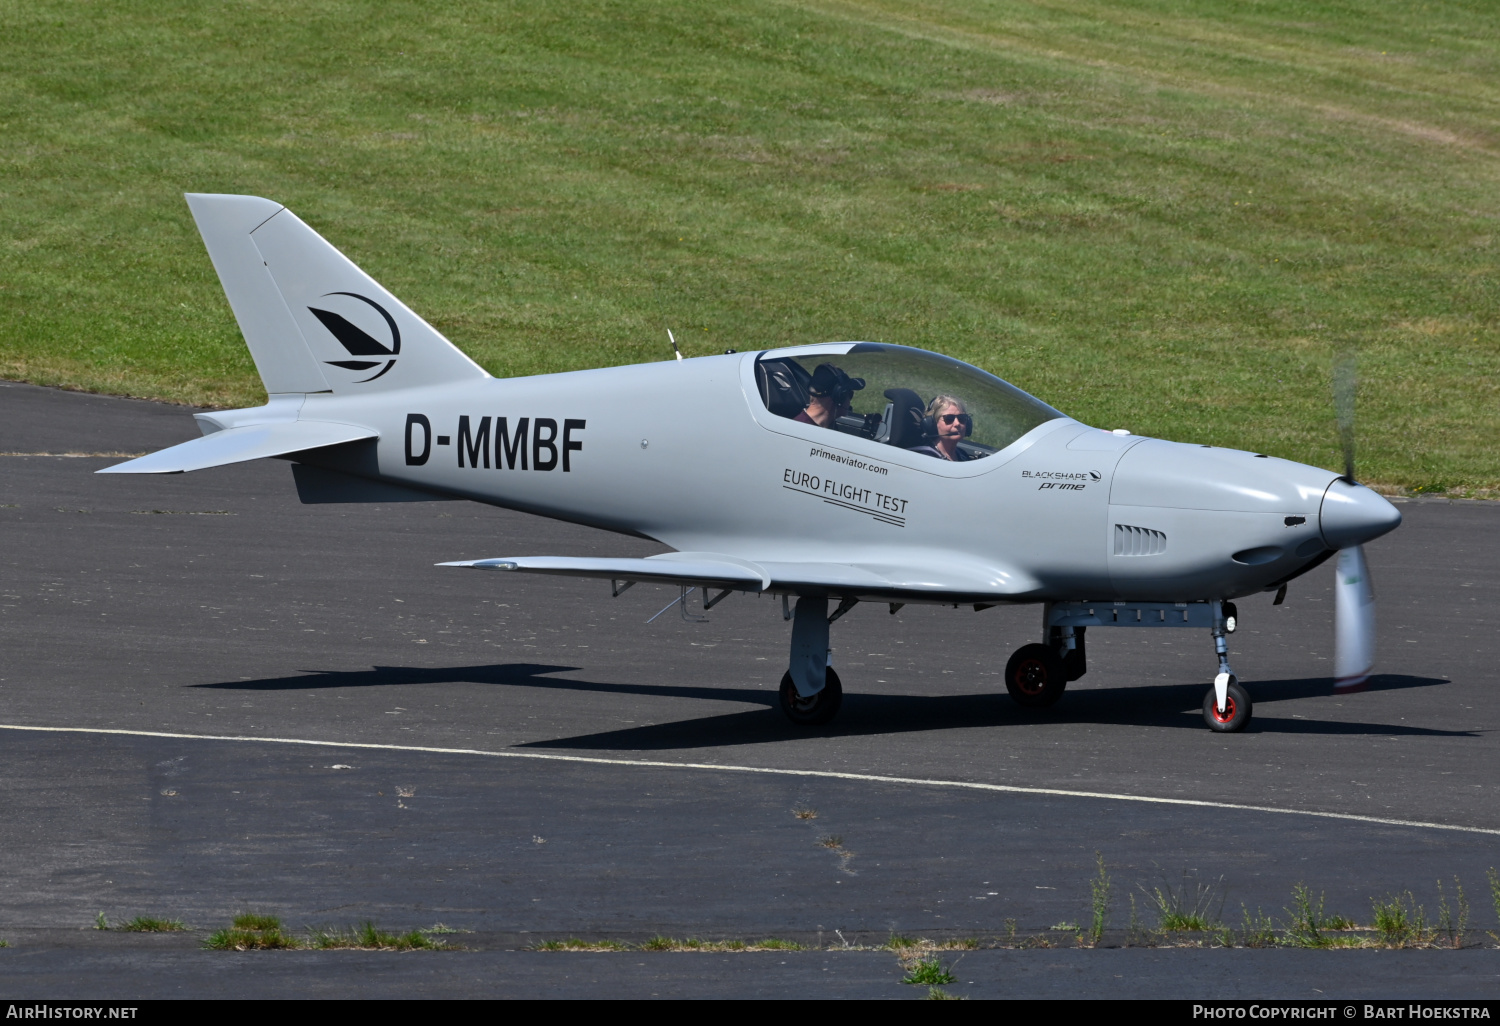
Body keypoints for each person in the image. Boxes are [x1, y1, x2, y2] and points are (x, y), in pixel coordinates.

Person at [794, 363, 865, 428]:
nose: (849, 401)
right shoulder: (800, 432)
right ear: (839, 397)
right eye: (849, 394)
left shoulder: (828, 426)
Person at [908, 395, 976, 461]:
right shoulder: (927, 458)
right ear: (933, 424)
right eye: (949, 418)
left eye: (962, 418)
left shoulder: (962, 455)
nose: (957, 423)